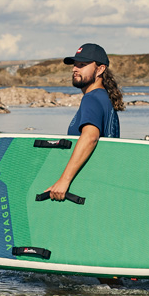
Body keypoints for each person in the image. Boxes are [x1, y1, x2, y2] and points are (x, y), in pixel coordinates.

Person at [43, 42, 124, 201]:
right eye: (75, 65)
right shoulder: (103, 98)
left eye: (82, 65)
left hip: (89, 186)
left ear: (100, 69)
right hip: (101, 184)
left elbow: (90, 137)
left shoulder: (92, 98)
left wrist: (63, 181)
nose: (75, 69)